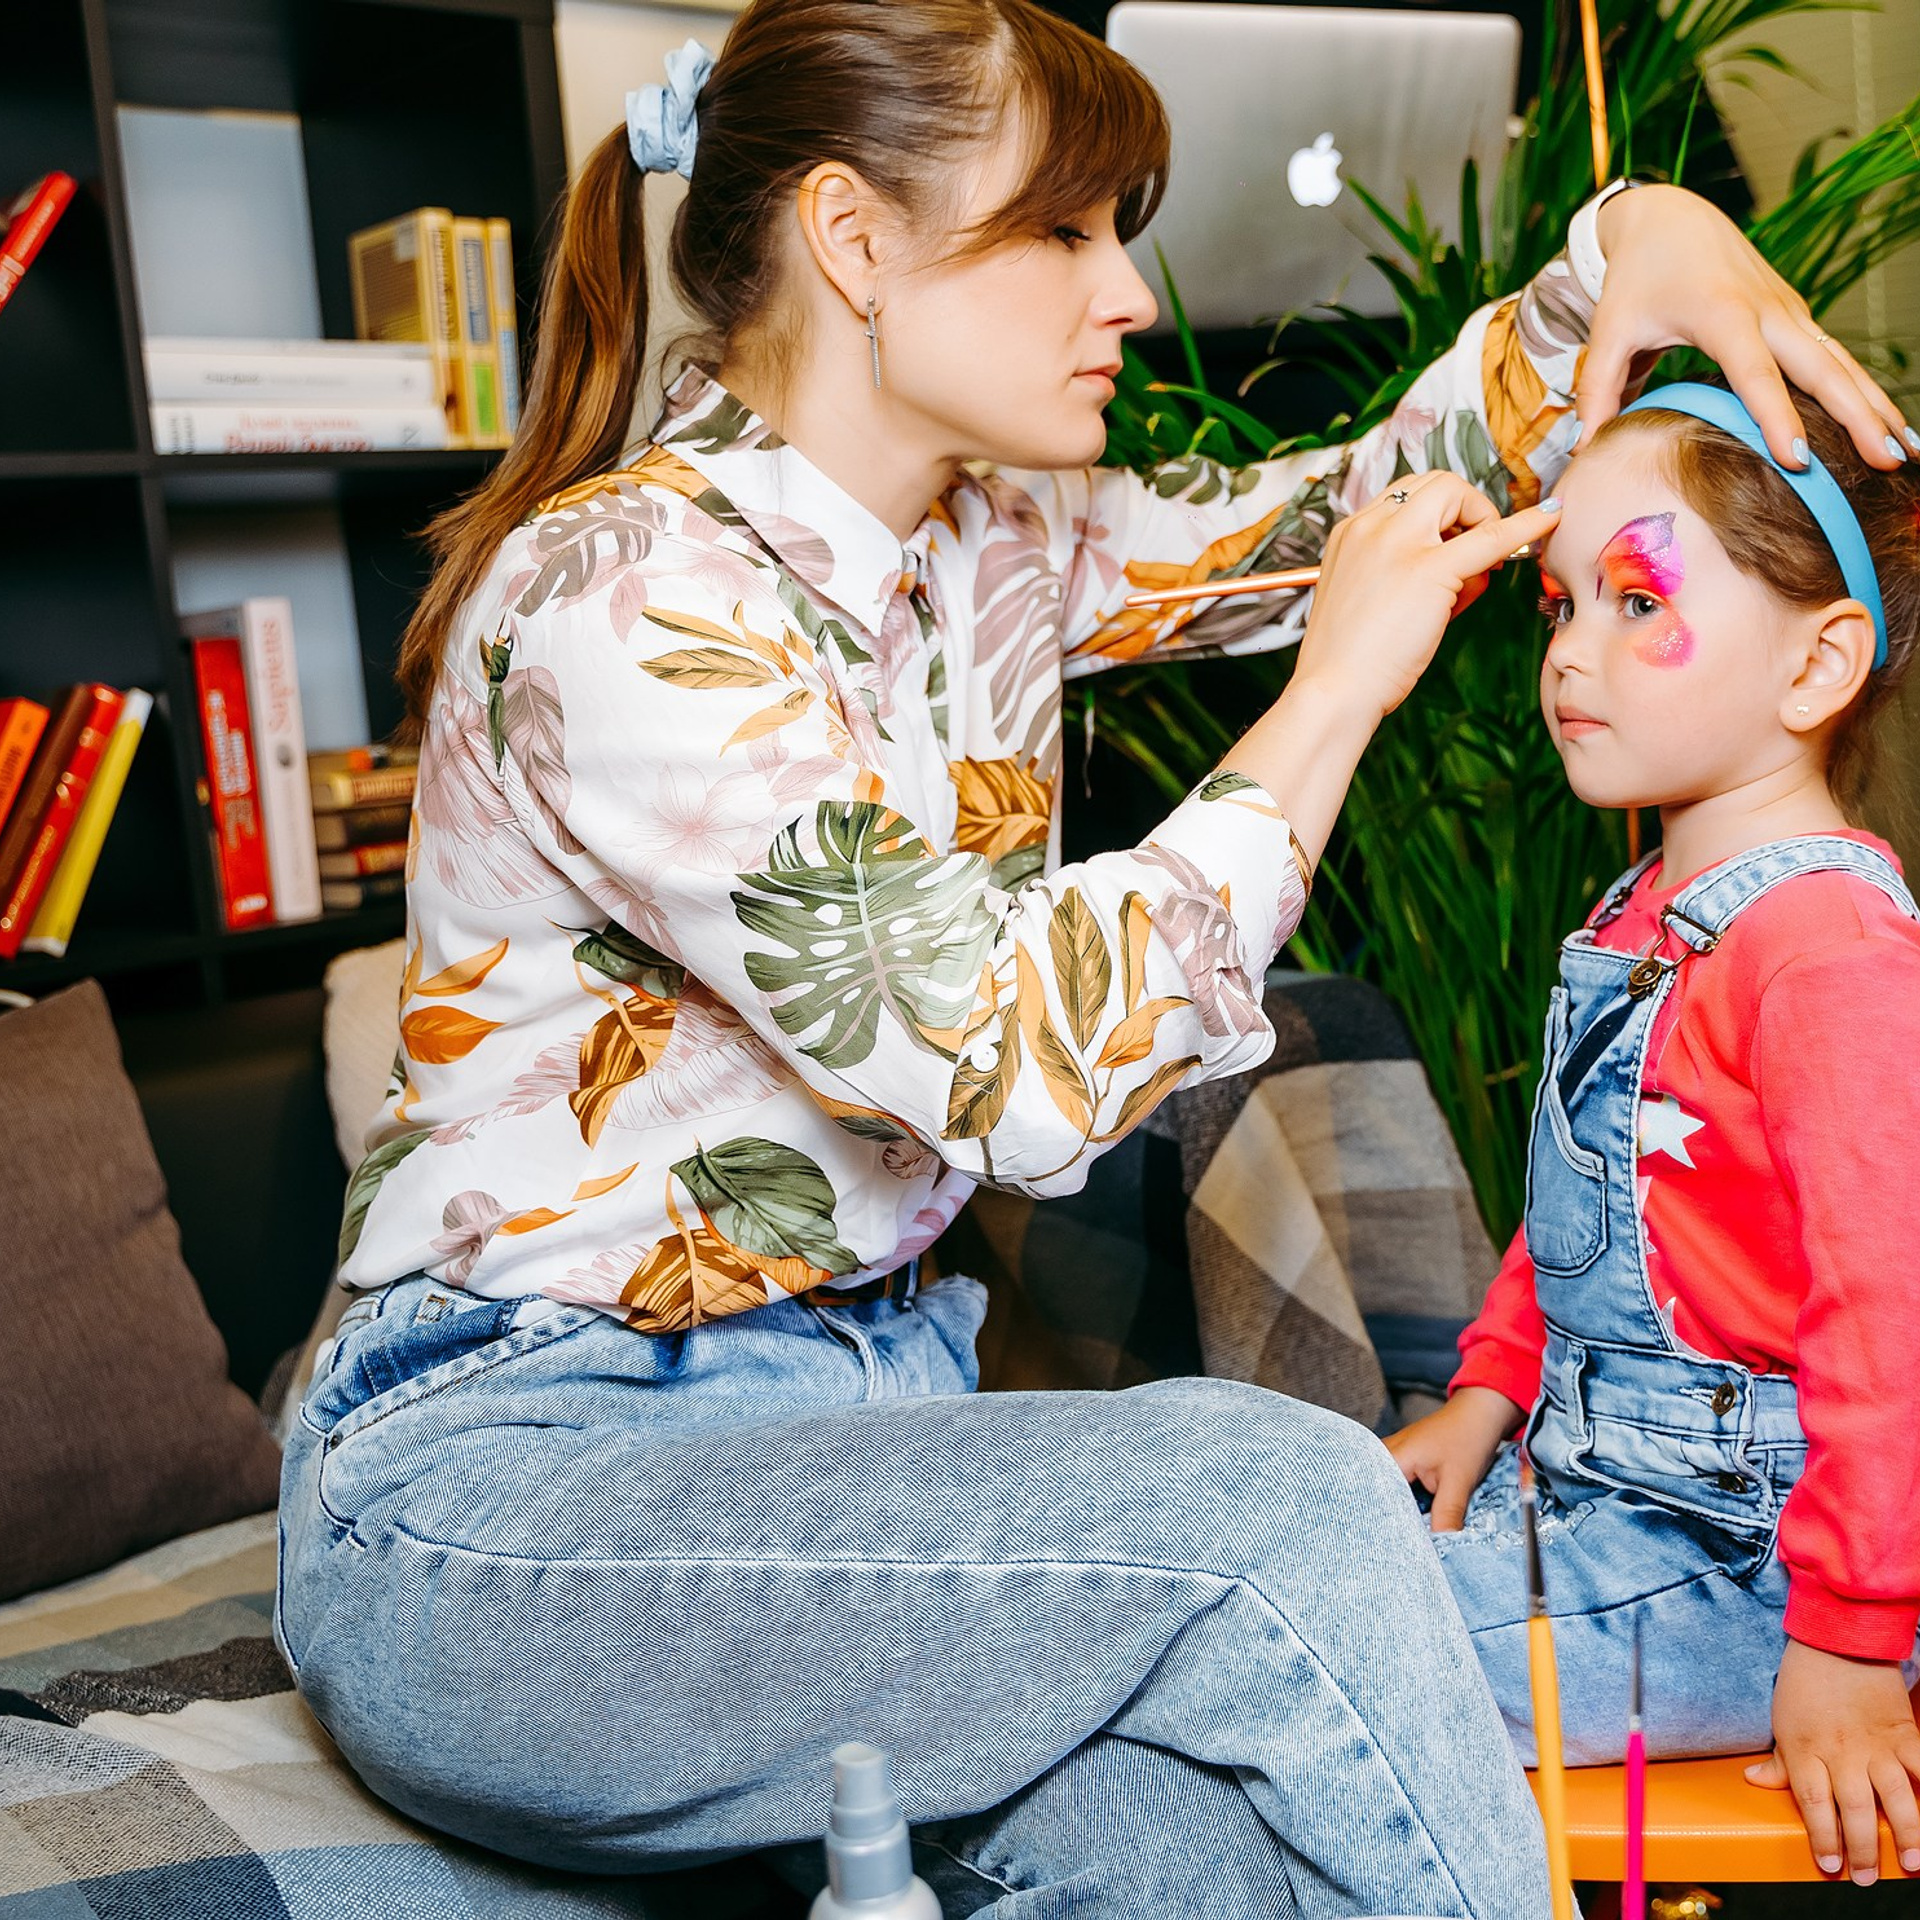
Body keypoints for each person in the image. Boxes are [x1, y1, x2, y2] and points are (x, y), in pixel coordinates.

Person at [275, 3, 1917, 1911]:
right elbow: (1008, 1062)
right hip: (508, 1504)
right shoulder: (621, 602)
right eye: (1062, 231)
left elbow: (1361, 516)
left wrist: (1628, 243)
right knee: (1282, 1499)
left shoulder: (996, 546)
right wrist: (1329, 705)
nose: (1127, 295)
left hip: (852, 1457)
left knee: (1198, 1832)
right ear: (856, 240)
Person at [1387, 379, 1920, 1890]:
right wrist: (1486, 1398)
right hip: (1606, 1487)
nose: (1568, 654)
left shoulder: (1828, 949)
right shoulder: (1639, 917)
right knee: (1289, 1525)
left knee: (1318, 1641)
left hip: (1758, 1573)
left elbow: (1897, 1317)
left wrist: (1850, 1640)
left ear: (1820, 663)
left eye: (1638, 601)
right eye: (1563, 605)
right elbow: (1580, 1209)